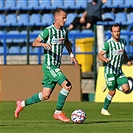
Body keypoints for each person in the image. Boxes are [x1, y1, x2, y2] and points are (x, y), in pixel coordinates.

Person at [14, 8, 78, 123]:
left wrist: (72, 55)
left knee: (45, 95)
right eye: (63, 18)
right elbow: (34, 42)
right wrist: (42, 44)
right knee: (67, 86)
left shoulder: (64, 31)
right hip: (49, 66)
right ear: (56, 18)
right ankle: (58, 112)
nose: (65, 20)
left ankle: (21, 103)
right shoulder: (48, 31)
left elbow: (67, 42)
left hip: (56, 66)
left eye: (66, 17)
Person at [98, 23, 132, 115]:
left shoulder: (122, 42)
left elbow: (123, 52)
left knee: (126, 89)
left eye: (118, 31)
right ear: (111, 32)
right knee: (112, 92)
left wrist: (127, 60)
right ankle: (104, 109)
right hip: (110, 71)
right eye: (115, 32)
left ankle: (110, 84)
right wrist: (105, 59)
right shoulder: (108, 44)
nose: (117, 33)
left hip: (119, 71)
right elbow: (99, 55)